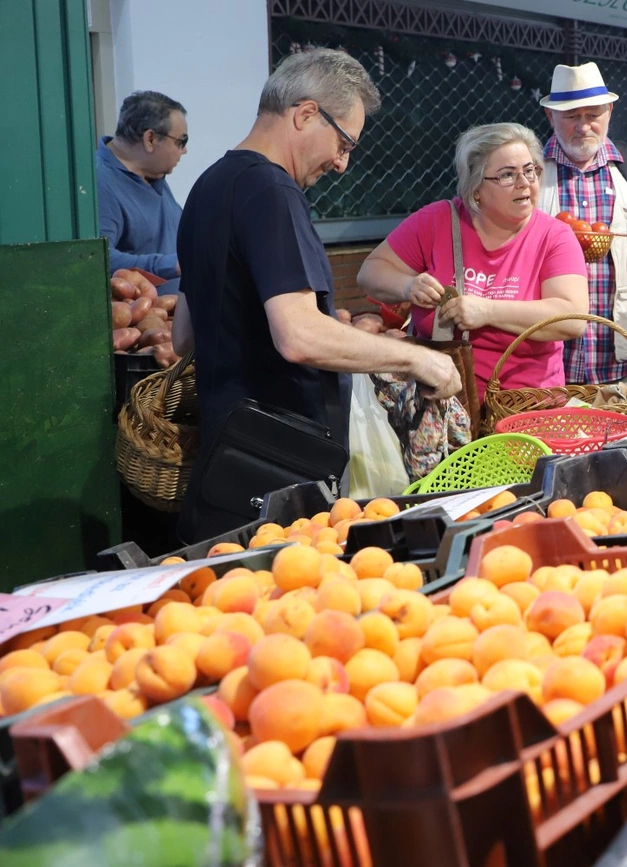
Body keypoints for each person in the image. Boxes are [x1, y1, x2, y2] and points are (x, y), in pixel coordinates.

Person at [171, 48, 461, 535]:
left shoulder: (207, 186)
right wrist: (418, 360)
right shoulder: (272, 192)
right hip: (280, 464)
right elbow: (299, 336)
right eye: (344, 143)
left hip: (227, 460)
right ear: (306, 114)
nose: (342, 164)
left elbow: (184, 335)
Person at [357, 123, 589, 400]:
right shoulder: (437, 221)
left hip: (527, 407)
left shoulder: (555, 236)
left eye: (530, 170)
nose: (524, 183)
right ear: (476, 188)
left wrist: (488, 311)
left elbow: (572, 318)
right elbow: (370, 273)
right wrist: (408, 286)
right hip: (442, 403)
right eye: (507, 175)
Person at [535, 62, 627, 386]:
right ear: (551, 116)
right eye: (572, 116)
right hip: (547, 369)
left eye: (593, 115)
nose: (583, 126)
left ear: (610, 112)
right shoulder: (531, 173)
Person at [96, 91, 187, 283]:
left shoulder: (153, 171)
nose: (184, 151)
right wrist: (174, 265)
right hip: (143, 303)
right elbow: (99, 259)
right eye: (181, 142)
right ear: (150, 139)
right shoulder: (99, 181)